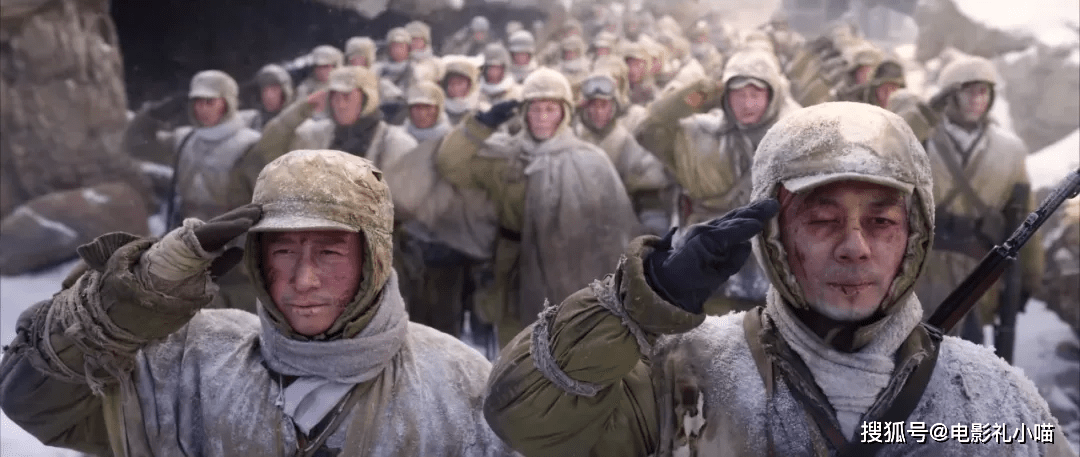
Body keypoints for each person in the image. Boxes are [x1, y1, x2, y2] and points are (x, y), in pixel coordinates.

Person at [483, 102, 1076, 456]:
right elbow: (521, 413)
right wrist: (638, 303)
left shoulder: (991, 403)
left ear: (915, 236)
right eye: (820, 221)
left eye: (883, 221)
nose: (855, 247)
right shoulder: (685, 377)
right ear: (774, 238)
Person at [0, 149, 514, 456]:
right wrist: (135, 298)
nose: (303, 278)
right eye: (284, 250)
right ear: (257, 259)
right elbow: (34, 402)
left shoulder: (459, 386)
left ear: (374, 256)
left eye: (330, 251)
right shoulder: (190, 363)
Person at [434, 68, 641, 347]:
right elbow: (450, 164)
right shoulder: (506, 155)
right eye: (535, 109)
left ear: (564, 113)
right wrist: (480, 125)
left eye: (550, 109)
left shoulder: (591, 160)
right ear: (524, 113)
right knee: (519, 346)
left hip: (569, 268)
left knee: (567, 343)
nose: (542, 117)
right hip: (514, 268)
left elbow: (612, 231)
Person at [635, 49, 801, 314]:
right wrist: (693, 95)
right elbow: (647, 130)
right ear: (725, 96)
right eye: (738, 94)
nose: (747, 103)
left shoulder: (796, 138)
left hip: (773, 275)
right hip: (708, 272)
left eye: (755, 94)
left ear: (773, 94)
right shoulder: (703, 134)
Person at [915, 55, 1043, 345]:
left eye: (984, 91)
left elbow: (1025, 219)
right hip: (924, 270)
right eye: (969, 90)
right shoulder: (921, 140)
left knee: (970, 359)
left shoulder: (1010, 151)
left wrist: (1029, 278)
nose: (977, 99)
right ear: (949, 95)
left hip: (978, 272)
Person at [575, 71, 672, 236]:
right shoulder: (574, 139)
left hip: (617, 226)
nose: (598, 112)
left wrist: (652, 230)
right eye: (593, 105)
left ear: (614, 107)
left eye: (603, 105)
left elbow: (648, 193)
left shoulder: (626, 143)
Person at [238, 64, 295, 131]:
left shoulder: (296, 120)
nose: (268, 95)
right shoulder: (252, 125)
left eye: (274, 90)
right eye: (264, 90)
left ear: (285, 93)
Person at [441, 56, 488, 125]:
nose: (455, 87)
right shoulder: (438, 112)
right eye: (451, 83)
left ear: (470, 85)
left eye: (459, 83)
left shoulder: (482, 111)